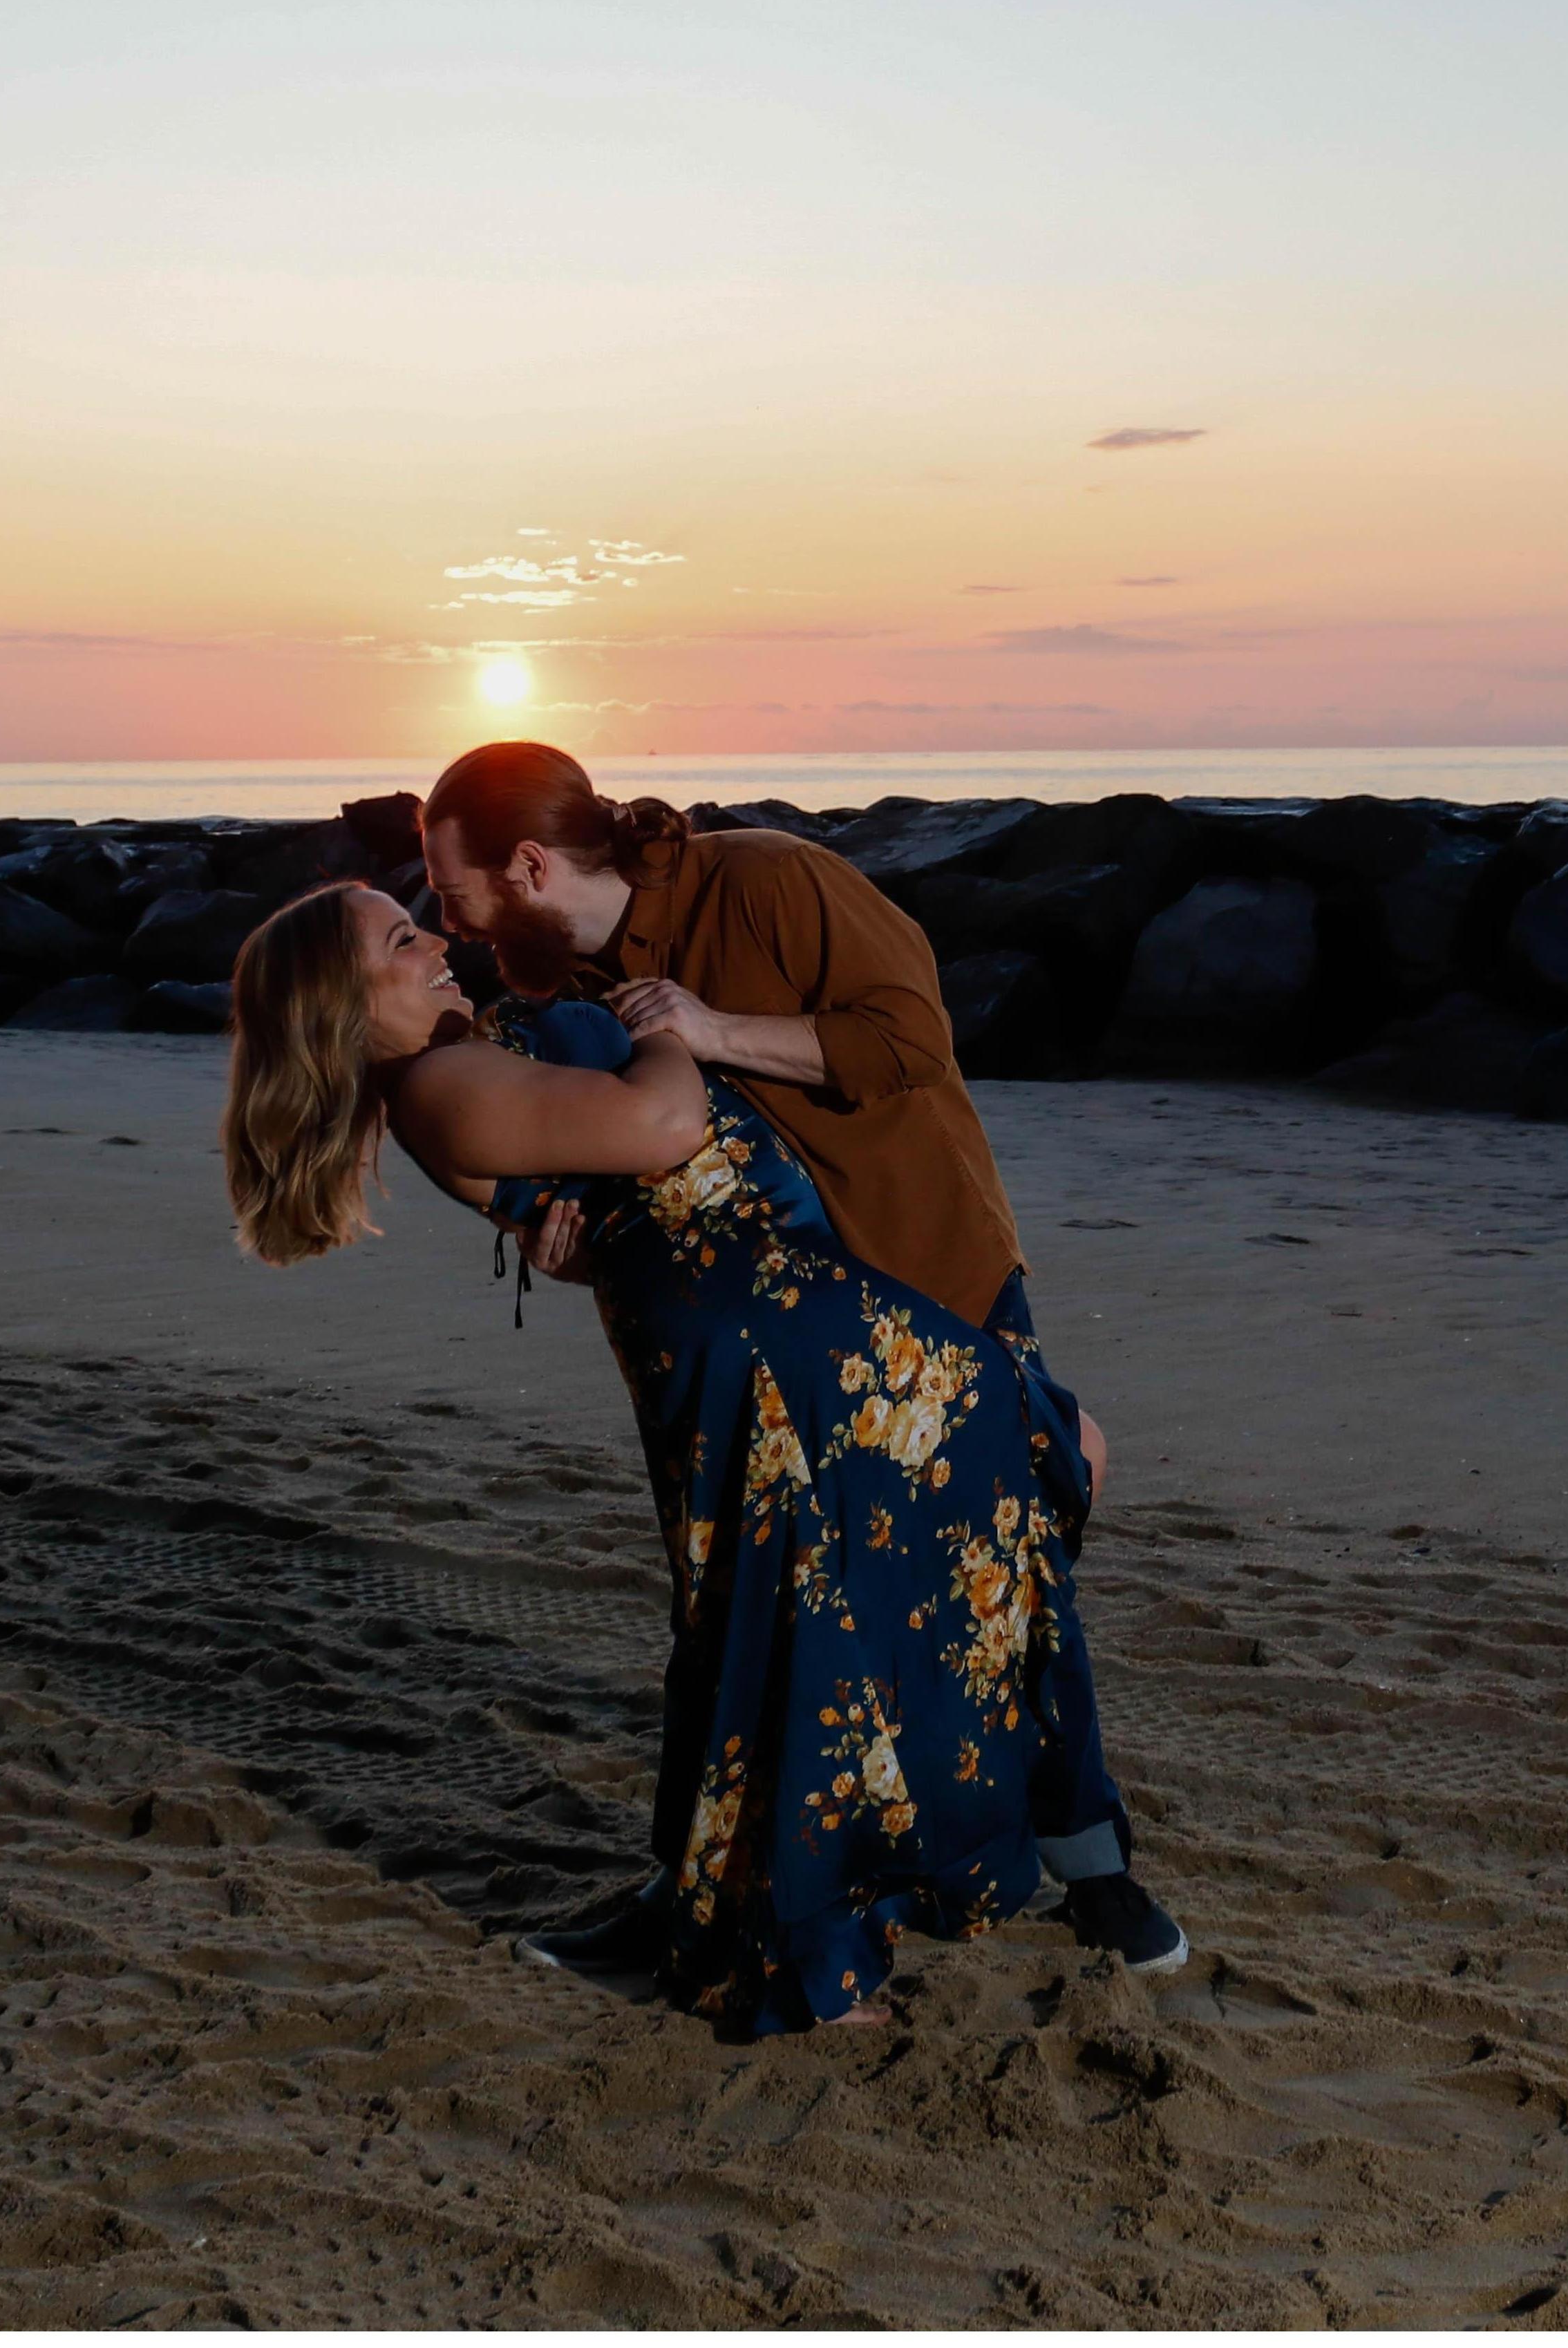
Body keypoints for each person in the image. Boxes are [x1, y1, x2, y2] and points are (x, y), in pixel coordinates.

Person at [220, 879, 1167, 2029]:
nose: (434, 942)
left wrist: (590, 1183)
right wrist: (668, 1035)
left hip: (787, 1313)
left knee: (843, 1585)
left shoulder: (466, 1054)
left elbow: (594, 1206)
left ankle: (823, 1888)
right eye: (400, 938)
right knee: (854, 1579)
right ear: (340, 999)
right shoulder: (436, 1083)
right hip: (768, 1334)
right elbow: (665, 1131)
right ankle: (819, 1929)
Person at [417, 741, 1181, 1978]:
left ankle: (1090, 1868)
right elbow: (589, 1150)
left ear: (528, 863)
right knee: (752, 1610)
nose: (438, 915)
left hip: (922, 1267)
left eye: (448, 886)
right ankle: (733, 1893)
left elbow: (912, 1040)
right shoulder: (544, 979)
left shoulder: (767, 879)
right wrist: (556, 1228)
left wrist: (713, 1027)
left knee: (1009, 1575)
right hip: (762, 1346)